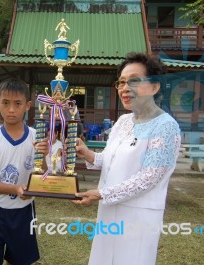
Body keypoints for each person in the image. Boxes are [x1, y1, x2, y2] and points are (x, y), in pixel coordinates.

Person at [73, 52, 181, 265]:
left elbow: (148, 178)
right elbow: (110, 161)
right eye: (121, 82)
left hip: (138, 217)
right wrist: (87, 153)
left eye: (134, 81)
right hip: (109, 209)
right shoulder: (123, 121)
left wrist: (101, 194)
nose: (124, 88)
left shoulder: (166, 127)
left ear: (155, 86)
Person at [0, 78, 48, 265]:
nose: (11, 109)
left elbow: (44, 177)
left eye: (18, 104)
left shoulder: (37, 138)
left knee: (20, 260)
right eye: (5, 103)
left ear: (28, 105)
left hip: (23, 211)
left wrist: (46, 157)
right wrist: (15, 189)